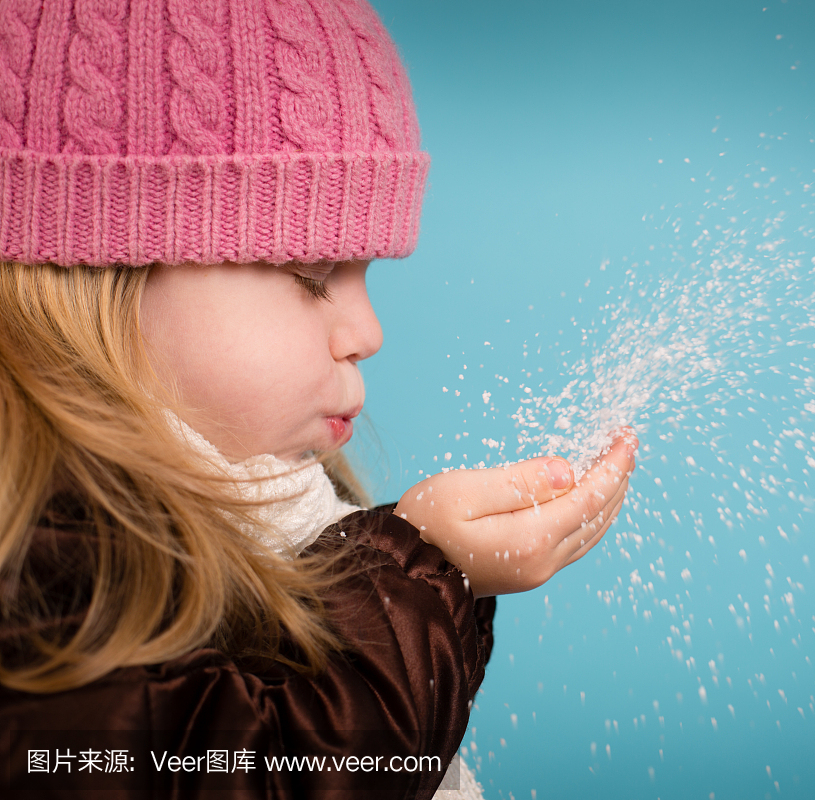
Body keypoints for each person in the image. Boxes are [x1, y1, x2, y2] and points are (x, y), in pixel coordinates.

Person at [0, 1, 636, 797]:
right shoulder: (40, 551)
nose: (366, 331)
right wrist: (418, 580)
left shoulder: (277, 502)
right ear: (104, 264)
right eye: (311, 275)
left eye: (367, 274)